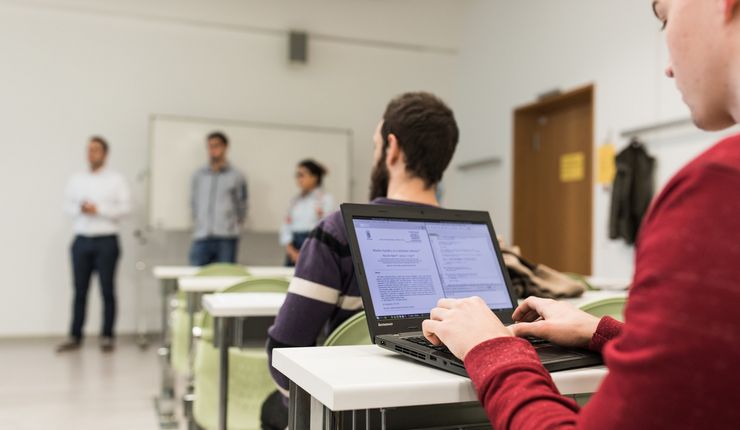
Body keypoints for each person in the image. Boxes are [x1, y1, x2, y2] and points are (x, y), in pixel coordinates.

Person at [421, 0, 740, 428]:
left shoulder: (718, 188)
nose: (666, 66)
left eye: (664, 20)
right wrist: (602, 333)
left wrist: (489, 346)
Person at [261, 92, 459, 429]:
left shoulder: (337, 232)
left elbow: (284, 356)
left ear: (391, 148)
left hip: (351, 417)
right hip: (447, 415)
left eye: (375, 145)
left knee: (271, 407)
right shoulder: (471, 236)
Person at [57, 136, 131, 353]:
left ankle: (107, 335)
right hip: (82, 239)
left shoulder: (117, 180)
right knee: (79, 290)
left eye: (96, 150)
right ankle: (75, 335)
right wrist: (81, 208)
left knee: (107, 289)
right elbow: (67, 206)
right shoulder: (76, 179)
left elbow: (125, 209)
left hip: (106, 239)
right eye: (89, 150)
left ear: (105, 154)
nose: (91, 154)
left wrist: (99, 209)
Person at [189, 131, 248, 266]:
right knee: (196, 279)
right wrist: (198, 222)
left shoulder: (236, 176)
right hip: (202, 235)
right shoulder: (199, 175)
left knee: (224, 279)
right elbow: (194, 202)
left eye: (216, 145)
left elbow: (242, 205)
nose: (213, 150)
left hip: (226, 238)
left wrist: (234, 225)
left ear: (225, 147)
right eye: (210, 146)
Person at [279, 159, 334, 267]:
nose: (298, 179)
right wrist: (291, 250)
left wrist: (308, 253)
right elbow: (286, 226)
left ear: (314, 177)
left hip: (314, 247)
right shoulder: (295, 201)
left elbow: (327, 229)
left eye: (302, 175)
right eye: (297, 175)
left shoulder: (325, 200)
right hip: (293, 248)